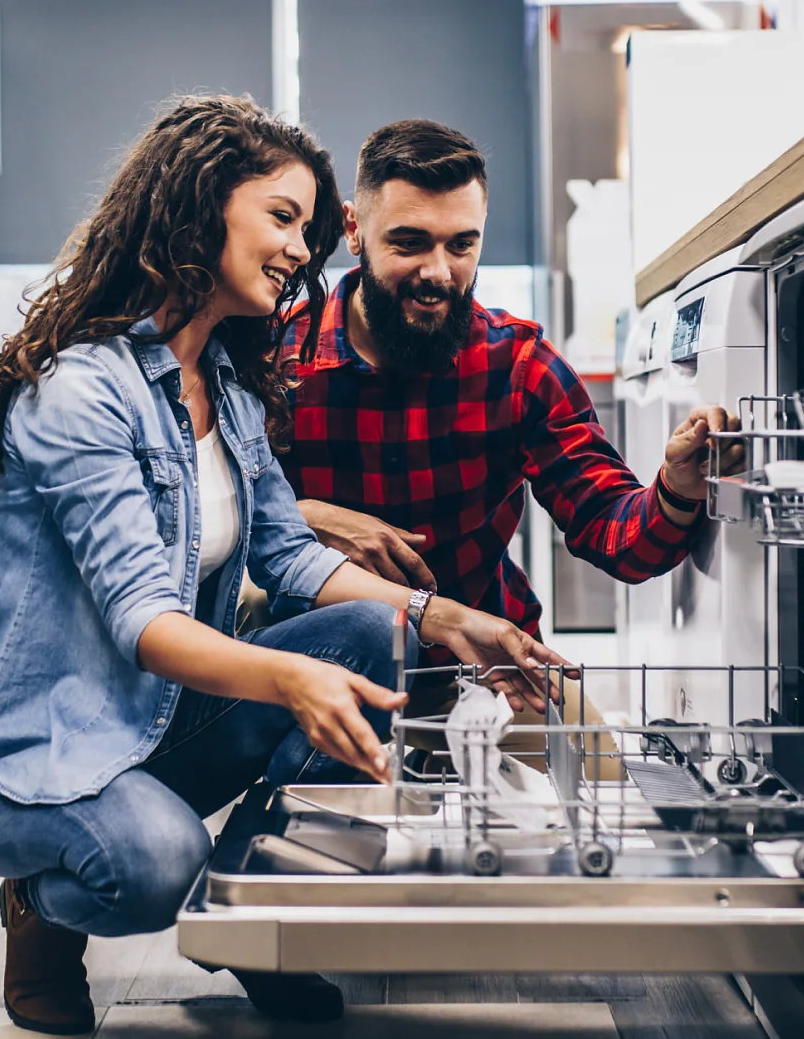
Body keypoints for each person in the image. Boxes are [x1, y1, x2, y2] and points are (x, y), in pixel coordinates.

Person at [0, 97, 566, 1034]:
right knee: (155, 865)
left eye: (307, 230)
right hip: (29, 753)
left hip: (150, 727)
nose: (301, 252)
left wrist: (447, 619)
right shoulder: (81, 389)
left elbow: (288, 550)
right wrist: (293, 676)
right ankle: (38, 902)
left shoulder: (221, 383)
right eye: (280, 218)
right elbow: (144, 624)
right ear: (196, 208)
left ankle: (262, 917)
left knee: (375, 629)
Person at [277, 119, 738, 648]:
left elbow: (618, 538)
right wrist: (300, 520)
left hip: (487, 667)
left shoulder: (519, 367)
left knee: (589, 733)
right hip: (313, 671)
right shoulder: (276, 361)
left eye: (461, 245)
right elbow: (208, 528)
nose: (438, 272)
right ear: (353, 230)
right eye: (410, 243)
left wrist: (677, 490)